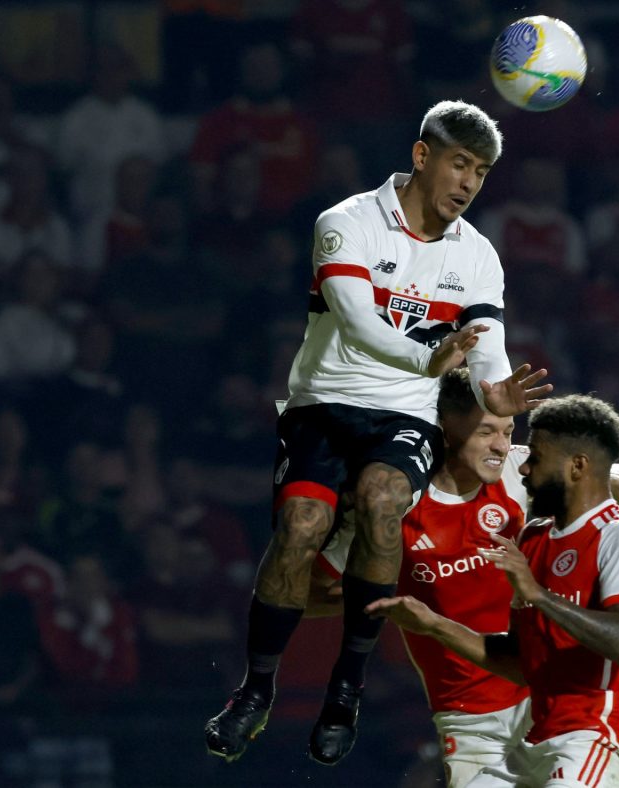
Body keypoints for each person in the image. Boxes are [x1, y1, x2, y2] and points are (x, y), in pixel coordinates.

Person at [204, 100, 550, 766]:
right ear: (423, 157)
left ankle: (346, 688)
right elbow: (357, 319)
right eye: (458, 164)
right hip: (323, 405)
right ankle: (255, 689)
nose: (467, 183)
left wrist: (496, 388)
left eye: (479, 172)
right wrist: (429, 356)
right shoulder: (346, 222)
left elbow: (486, 349)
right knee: (303, 526)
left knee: (384, 501)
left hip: (405, 415)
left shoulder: (477, 256)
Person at [313, 370, 619, 785]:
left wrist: (582, 474)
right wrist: (379, 586)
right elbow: (313, 595)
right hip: (468, 715)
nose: (501, 445)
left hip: (543, 697)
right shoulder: (393, 498)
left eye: (508, 431)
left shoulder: (516, 472)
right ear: (445, 429)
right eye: (486, 430)